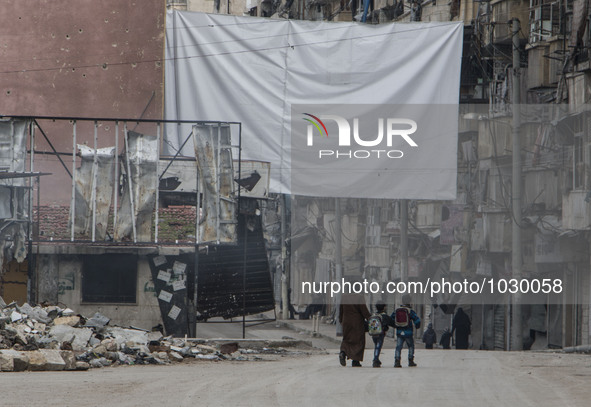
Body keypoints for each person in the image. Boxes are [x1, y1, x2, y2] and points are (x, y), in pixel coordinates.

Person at [339, 290, 371, 367]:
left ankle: (343, 352)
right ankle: (355, 361)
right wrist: (370, 319)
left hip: (346, 321)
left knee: (347, 339)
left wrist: (341, 320)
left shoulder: (344, 297)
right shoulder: (359, 297)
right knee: (358, 341)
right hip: (357, 323)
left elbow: (341, 310)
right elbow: (364, 310)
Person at [391, 294, 421, 367]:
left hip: (399, 332)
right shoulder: (410, 311)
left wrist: (395, 325)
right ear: (410, 301)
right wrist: (417, 326)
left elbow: (391, 318)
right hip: (408, 332)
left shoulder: (397, 310)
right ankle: (410, 360)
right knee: (410, 346)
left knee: (398, 347)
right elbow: (417, 320)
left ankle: (397, 361)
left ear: (402, 301)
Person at [369, 301, 391, 368]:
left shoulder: (373, 315)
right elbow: (390, 322)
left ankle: (377, 359)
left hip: (373, 334)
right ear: (384, 307)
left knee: (376, 346)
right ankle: (375, 359)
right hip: (380, 334)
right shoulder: (384, 315)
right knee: (378, 346)